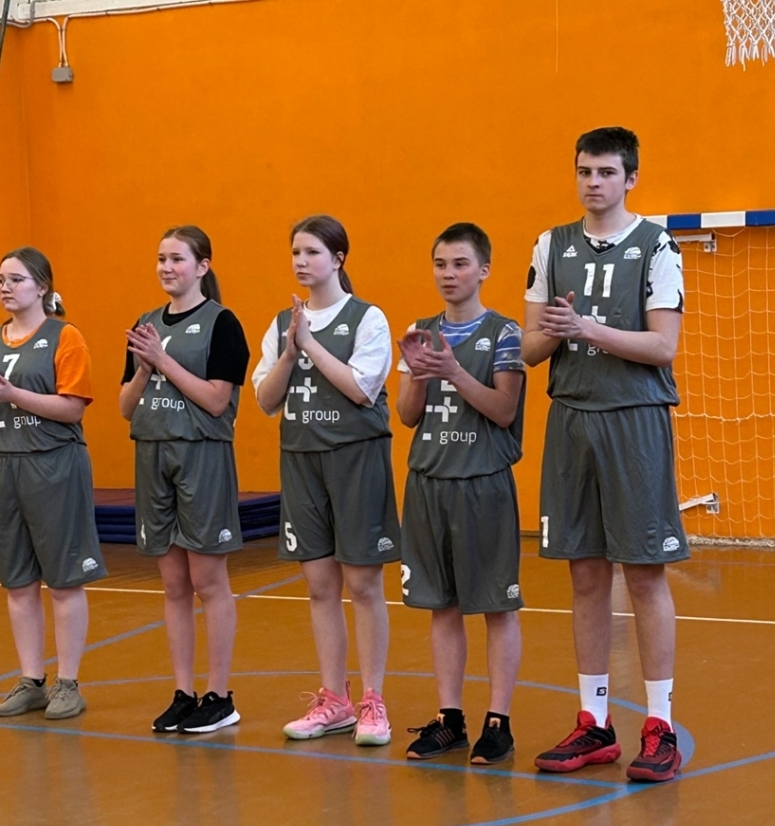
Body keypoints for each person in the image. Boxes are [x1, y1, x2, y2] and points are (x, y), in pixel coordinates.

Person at [522, 127, 689, 782]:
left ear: (631, 178)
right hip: (572, 418)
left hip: (634, 420)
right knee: (585, 575)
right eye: (584, 171)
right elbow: (530, 350)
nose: (593, 182)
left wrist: (587, 327)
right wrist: (555, 331)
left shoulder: (658, 245)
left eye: (606, 172)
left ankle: (659, 724)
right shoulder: (550, 244)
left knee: (644, 573)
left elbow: (663, 347)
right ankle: (594, 721)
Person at [253, 214, 399, 746]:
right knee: (319, 585)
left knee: (362, 584)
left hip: (355, 459)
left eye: (312, 252)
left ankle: (373, 700)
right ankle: (334, 699)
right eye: (296, 252)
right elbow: (266, 400)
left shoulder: (367, 318)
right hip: (301, 460)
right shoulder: (281, 325)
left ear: (337, 259)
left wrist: (310, 345)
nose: (301, 261)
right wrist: (291, 349)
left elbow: (361, 389)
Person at [396, 223, 526, 766]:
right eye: (440, 264)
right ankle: (450, 718)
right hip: (429, 482)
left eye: (460, 264)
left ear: (484, 270)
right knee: (441, 606)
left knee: (495, 605)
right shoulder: (420, 331)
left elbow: (504, 410)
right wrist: (419, 373)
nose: (448, 274)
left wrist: (452, 370)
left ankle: (499, 722)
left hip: (482, 484)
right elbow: (407, 416)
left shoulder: (505, 333)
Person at [0, 246, 106, 720]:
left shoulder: (65, 337)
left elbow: (72, 408)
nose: (5, 287)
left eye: (15, 279)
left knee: (63, 580)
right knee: (18, 581)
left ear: (42, 286)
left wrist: (11, 392)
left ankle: (68, 682)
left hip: (53, 465)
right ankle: (31, 680)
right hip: (2, 466)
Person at [119, 226, 250, 734]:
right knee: (173, 584)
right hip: (153, 454)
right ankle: (182, 692)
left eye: (177, 258)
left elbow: (216, 400)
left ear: (202, 266)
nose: (166, 267)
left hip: (201, 455)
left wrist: (162, 361)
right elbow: (125, 407)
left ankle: (219, 694)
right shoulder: (145, 324)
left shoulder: (222, 323)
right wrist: (142, 369)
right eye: (161, 258)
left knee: (208, 581)